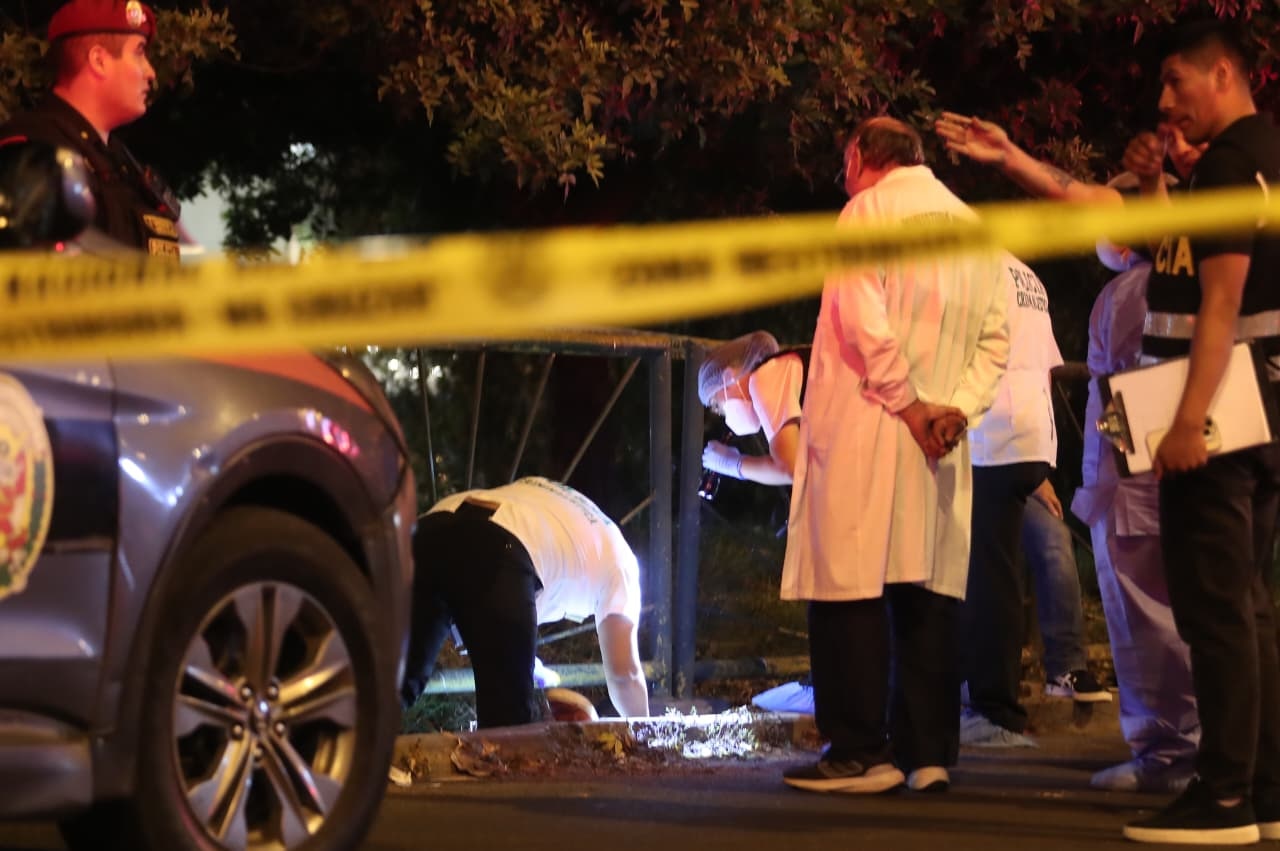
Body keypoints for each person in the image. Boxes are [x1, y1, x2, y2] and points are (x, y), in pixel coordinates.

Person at [779, 116, 1009, 795]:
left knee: (848, 581)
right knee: (926, 586)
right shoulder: (973, 225)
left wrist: (911, 406)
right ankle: (929, 750)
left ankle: (857, 750)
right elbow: (997, 339)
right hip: (941, 436)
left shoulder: (865, 213)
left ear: (858, 156)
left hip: (873, 422)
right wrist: (955, 408)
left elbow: (862, 320)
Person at [1116, 22, 1280, 844]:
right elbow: (1175, 254)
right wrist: (1159, 190)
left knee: (1217, 610)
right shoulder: (1261, 154)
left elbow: (1216, 300)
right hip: (1265, 408)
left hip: (1221, 413)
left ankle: (1222, 798)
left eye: (1178, 82)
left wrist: (1186, 423)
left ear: (1224, 73)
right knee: (1248, 608)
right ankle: (1262, 786)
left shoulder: (1227, 163)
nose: (1164, 101)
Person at [1072, 186, 1199, 794]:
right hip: (1189, 469)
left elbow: (1116, 392)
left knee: (1144, 617)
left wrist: (1112, 469)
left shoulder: (1126, 293)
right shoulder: (1202, 281)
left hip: (1134, 476)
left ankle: (1167, 754)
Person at [960, 251, 1109, 749]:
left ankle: (991, 703)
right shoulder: (1026, 275)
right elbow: (1045, 368)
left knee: (987, 574)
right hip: (1028, 439)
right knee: (1012, 562)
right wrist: (1040, 465)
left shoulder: (968, 269)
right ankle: (1025, 682)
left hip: (987, 436)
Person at [400, 476, 649, 728]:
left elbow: (485, 619)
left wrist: (529, 669)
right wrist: (647, 733)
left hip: (430, 528)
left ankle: (361, 754)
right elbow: (624, 675)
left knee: (392, 688)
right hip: (499, 545)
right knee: (508, 730)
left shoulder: (566, 520)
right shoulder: (624, 567)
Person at [0, 0, 180, 258]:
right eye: (139, 52)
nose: (150, 72)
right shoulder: (33, 152)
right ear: (99, 60)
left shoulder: (121, 161)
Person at [698, 330, 815, 713]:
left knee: (830, 595)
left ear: (731, 376)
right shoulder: (788, 368)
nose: (721, 414)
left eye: (717, 405)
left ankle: (825, 690)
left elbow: (789, 467)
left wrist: (731, 464)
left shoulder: (768, 376)